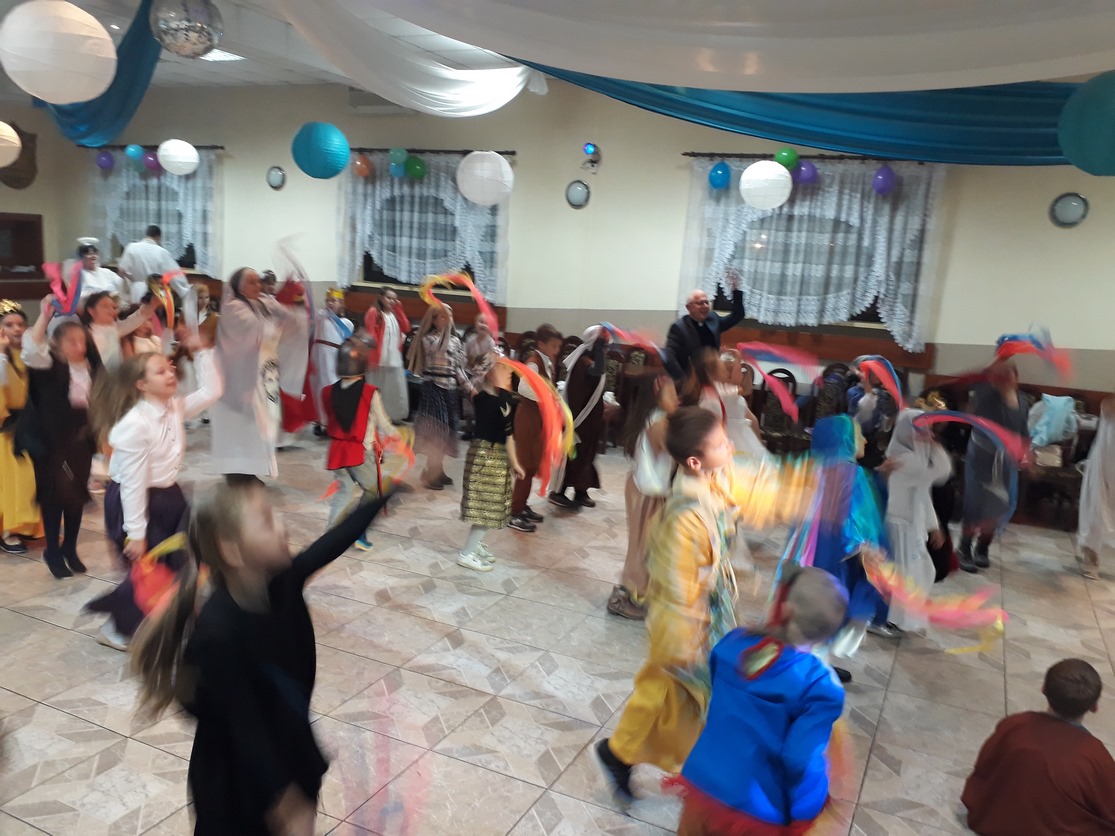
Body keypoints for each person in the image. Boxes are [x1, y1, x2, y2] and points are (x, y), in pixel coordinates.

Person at [130, 480, 392, 835]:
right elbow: (245, 724)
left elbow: (328, 545)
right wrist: (283, 798)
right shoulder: (218, 633)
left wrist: (381, 498)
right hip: (236, 788)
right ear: (232, 551)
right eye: (267, 521)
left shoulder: (282, 584)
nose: (282, 527)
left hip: (286, 752)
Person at [595, 407, 812, 800]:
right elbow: (677, 589)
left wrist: (808, 488)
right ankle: (631, 755)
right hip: (686, 622)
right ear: (695, 461)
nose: (729, 446)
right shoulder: (683, 517)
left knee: (687, 698)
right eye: (720, 443)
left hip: (712, 611)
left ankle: (642, 756)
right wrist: (685, 642)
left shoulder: (717, 479)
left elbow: (762, 489)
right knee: (673, 692)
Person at [672, 565, 850, 835]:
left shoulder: (734, 642)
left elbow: (714, 686)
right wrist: (808, 808)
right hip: (754, 809)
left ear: (784, 608)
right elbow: (800, 758)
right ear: (830, 633)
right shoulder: (820, 685)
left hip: (702, 783)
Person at [85, 336, 222, 651]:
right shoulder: (135, 425)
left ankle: (166, 619)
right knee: (148, 570)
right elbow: (133, 483)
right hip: (135, 501)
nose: (171, 374)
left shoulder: (173, 407)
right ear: (142, 385)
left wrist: (202, 351)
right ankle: (117, 630)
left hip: (168, 496)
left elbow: (212, 391)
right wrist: (136, 533)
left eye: (170, 367)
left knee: (178, 563)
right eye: (160, 371)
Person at [781, 415, 889, 682]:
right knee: (825, 608)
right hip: (835, 558)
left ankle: (810, 662)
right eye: (858, 435)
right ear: (845, 439)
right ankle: (812, 669)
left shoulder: (813, 469)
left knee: (806, 606)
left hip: (806, 554)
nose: (865, 440)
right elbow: (854, 521)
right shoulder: (851, 474)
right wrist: (865, 547)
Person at [962, 658, 1115, 835]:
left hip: (992, 822)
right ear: (1094, 707)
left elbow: (984, 769)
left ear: (1043, 689)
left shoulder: (1014, 724)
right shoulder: (1095, 754)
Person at [18, 298, 102, 578]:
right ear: (56, 344)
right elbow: (32, 349)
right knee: (54, 494)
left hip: (80, 437)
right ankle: (52, 549)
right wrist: (45, 315)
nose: (80, 346)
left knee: (76, 493)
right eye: (72, 341)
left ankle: (70, 548)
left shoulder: (90, 366)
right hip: (51, 440)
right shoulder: (47, 363)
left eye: (82, 341)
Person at [210, 268, 309, 480]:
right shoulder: (233, 307)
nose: (258, 286)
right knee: (241, 427)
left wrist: (294, 305)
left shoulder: (262, 302)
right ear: (239, 286)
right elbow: (257, 329)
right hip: (238, 379)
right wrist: (280, 326)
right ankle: (237, 472)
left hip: (262, 376)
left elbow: (290, 317)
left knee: (260, 425)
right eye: (252, 282)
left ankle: (253, 469)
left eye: (258, 281)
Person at [609, 374, 678, 620]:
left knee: (649, 545)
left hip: (646, 490)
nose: (677, 399)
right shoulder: (659, 424)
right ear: (657, 397)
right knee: (643, 547)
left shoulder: (659, 419)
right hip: (647, 494)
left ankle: (638, 592)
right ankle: (629, 596)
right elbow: (678, 451)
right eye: (672, 394)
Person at [321, 338, 400, 550]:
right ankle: (357, 532)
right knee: (374, 491)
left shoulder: (327, 392)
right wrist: (398, 436)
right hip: (359, 452)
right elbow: (383, 422)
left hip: (337, 451)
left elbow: (328, 419)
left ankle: (330, 537)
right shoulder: (369, 392)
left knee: (345, 490)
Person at [883, 410, 952, 632]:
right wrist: (935, 446)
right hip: (900, 526)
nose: (926, 434)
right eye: (921, 430)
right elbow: (942, 473)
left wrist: (933, 526)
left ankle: (896, 617)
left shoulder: (908, 458)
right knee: (904, 576)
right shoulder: (905, 460)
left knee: (918, 572)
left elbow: (923, 494)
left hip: (909, 525)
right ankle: (891, 619)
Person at [457, 356, 524, 572]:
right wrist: (515, 463)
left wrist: (513, 463)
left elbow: (509, 434)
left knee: (488, 505)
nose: (509, 374)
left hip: (491, 456)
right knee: (486, 507)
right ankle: (466, 554)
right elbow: (508, 435)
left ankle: (475, 544)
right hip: (487, 458)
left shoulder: (499, 398)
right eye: (504, 370)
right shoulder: (490, 400)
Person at [960, 363, 1029, 573]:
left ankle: (983, 547)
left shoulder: (1022, 400)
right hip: (981, 458)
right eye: (1002, 375)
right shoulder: (986, 396)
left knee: (997, 505)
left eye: (1010, 374)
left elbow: (1023, 429)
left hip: (1005, 460)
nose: (1006, 378)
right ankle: (964, 548)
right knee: (975, 504)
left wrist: (1025, 452)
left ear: (1016, 377)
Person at [509, 323, 562, 531]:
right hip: (528, 418)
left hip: (536, 417)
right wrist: (548, 395)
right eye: (554, 346)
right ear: (541, 344)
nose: (557, 351)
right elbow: (524, 388)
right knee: (525, 465)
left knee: (531, 465)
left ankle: (521, 505)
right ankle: (514, 512)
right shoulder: (533, 362)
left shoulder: (545, 362)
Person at [407, 303, 466, 491]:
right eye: (443, 317)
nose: (448, 320)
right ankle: (430, 472)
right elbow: (440, 349)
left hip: (450, 389)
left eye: (450, 316)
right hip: (434, 388)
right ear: (433, 320)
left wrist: (470, 388)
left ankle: (438, 469)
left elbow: (458, 368)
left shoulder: (456, 341)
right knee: (437, 431)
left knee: (449, 430)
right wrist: (448, 331)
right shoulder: (429, 339)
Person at [549, 326, 608, 510]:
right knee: (573, 453)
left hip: (590, 418)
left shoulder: (590, 359)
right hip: (579, 418)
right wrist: (599, 346)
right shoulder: (583, 362)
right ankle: (558, 491)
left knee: (586, 454)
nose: (605, 349)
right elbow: (597, 371)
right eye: (602, 344)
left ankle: (581, 491)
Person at [0, 301, 41, 553]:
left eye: (20, 324)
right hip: (7, 428)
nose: (16, 329)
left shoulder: (28, 354)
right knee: (12, 481)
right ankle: (7, 530)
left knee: (31, 480)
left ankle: (26, 526)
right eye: (9, 325)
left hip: (29, 424)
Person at [664, 282, 746, 384]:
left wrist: (736, 290)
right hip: (690, 379)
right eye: (700, 303)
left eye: (707, 302)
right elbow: (669, 357)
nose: (705, 306)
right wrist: (683, 379)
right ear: (689, 307)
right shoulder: (679, 328)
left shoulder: (713, 319)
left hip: (713, 376)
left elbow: (738, 315)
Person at [1078, 396, 1115, 581]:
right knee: (1096, 507)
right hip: (1106, 461)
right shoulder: (1110, 401)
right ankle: (1091, 557)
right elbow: (1108, 409)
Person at [363, 287, 410, 423]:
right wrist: (373, 357)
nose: (392, 301)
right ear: (381, 298)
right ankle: (374, 416)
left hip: (394, 357)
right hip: (378, 358)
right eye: (389, 298)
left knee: (394, 387)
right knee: (376, 387)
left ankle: (394, 415)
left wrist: (399, 309)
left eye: (394, 299)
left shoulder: (395, 314)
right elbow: (371, 335)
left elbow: (406, 327)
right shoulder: (374, 312)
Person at [310, 288, 354, 435]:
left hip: (333, 356)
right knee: (317, 387)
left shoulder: (347, 323)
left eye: (333, 301)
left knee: (331, 387)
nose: (330, 303)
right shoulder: (321, 316)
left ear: (341, 303)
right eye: (328, 300)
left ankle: (334, 423)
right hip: (318, 355)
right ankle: (320, 421)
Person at [83, 291, 154, 371]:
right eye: (106, 307)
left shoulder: (116, 328)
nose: (111, 311)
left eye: (113, 307)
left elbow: (137, 318)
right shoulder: (84, 334)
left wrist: (153, 304)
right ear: (91, 311)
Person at [118, 225, 190, 303]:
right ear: (159, 237)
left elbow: (121, 271)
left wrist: (128, 287)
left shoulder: (131, 247)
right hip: (154, 291)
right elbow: (175, 275)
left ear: (146, 234)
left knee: (136, 310)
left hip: (135, 291)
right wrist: (185, 290)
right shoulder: (161, 252)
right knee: (151, 310)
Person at [718, 350, 765, 459]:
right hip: (729, 442)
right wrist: (743, 365)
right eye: (740, 370)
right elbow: (747, 389)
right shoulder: (725, 393)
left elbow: (753, 420)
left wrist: (759, 445)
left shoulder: (738, 398)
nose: (742, 373)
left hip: (742, 442)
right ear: (729, 375)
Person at [461, 314, 496, 438]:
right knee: (468, 403)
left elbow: (492, 362)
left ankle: (479, 428)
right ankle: (468, 427)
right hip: (470, 375)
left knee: (481, 403)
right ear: (475, 324)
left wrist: (485, 373)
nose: (483, 325)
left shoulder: (491, 343)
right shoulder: (470, 341)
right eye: (480, 322)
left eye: (486, 323)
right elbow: (465, 357)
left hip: (484, 378)